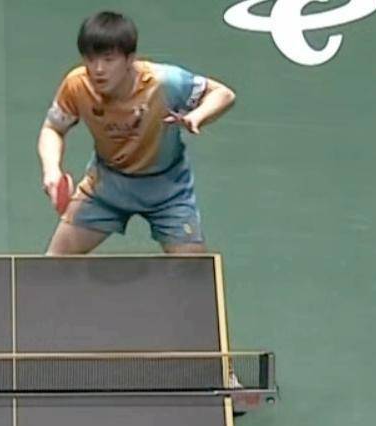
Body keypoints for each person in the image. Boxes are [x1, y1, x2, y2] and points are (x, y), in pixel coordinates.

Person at [39, 10, 236, 255]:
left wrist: (197, 116)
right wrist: (51, 171)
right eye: (90, 59)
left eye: (108, 60)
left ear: (130, 59)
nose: (98, 69)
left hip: (167, 189)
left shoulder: (165, 83)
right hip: (107, 186)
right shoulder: (77, 85)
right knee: (54, 263)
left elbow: (223, 94)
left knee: (193, 272)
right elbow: (53, 129)